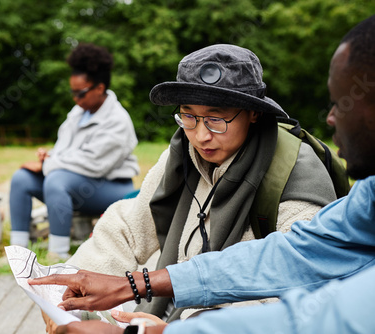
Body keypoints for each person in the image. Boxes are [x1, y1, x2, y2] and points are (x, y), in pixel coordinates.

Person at [29, 14, 375, 333]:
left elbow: (293, 292)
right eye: (188, 116)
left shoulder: (295, 176)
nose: (201, 134)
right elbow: (129, 227)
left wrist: (176, 328)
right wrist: (70, 289)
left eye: (216, 117)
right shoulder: (182, 155)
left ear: (253, 113)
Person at [9, 43, 139, 259]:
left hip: (110, 187)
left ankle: (57, 253)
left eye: (80, 93)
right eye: (73, 92)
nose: (75, 98)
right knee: (22, 178)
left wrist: (47, 165)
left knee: (56, 179)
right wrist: (50, 156)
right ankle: (17, 251)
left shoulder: (117, 120)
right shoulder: (78, 112)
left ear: (99, 88)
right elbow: (66, 151)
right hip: (74, 182)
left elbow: (93, 164)